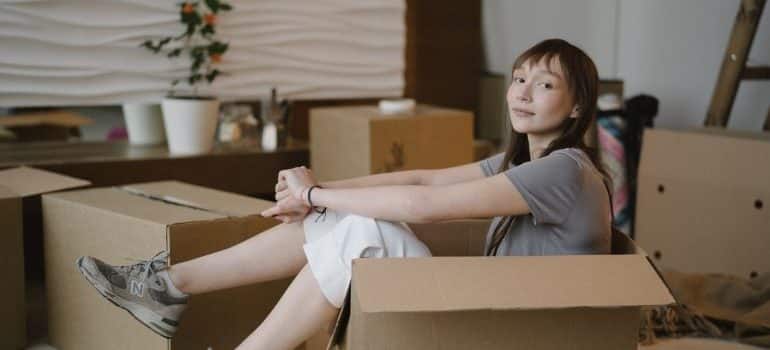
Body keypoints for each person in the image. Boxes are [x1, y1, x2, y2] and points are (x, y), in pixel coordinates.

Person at [76, 38, 612, 350]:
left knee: (357, 228)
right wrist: (318, 192)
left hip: (517, 331)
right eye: (519, 78)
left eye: (545, 84)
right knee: (340, 223)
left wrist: (316, 197)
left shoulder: (564, 171)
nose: (523, 91)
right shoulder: (523, 162)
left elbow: (421, 206)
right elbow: (423, 179)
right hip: (494, 309)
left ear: (578, 108)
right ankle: (169, 286)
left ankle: (174, 290)